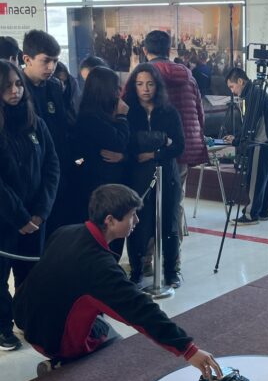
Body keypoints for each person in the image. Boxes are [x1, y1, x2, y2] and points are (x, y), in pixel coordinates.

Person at [13, 184, 223, 380]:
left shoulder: (65, 232)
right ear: (110, 220)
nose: (137, 221)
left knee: (96, 313)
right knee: (114, 341)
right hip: (51, 338)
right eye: (132, 215)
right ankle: (61, 363)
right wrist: (189, 350)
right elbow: (142, 311)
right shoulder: (100, 268)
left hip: (25, 318)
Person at [0, 60, 59, 352]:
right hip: (5, 219)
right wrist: (20, 216)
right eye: (7, 86)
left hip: (35, 219)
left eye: (18, 84)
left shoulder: (35, 123)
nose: (15, 91)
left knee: (32, 274)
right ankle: (3, 327)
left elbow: (52, 167)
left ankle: (27, 319)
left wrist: (40, 212)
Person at [143, 30, 209, 273]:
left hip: (150, 151)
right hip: (182, 149)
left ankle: (145, 260)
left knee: (146, 204)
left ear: (145, 50)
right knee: (174, 204)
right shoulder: (188, 75)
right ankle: (173, 261)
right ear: (169, 50)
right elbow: (199, 113)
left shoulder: (143, 75)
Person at [122, 63, 184, 288]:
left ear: (157, 85)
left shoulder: (169, 111)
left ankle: (171, 272)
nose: (145, 89)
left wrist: (152, 153)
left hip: (167, 174)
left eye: (150, 84)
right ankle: (137, 271)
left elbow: (178, 145)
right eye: (140, 84)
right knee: (138, 225)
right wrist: (161, 139)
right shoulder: (128, 111)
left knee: (169, 223)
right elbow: (129, 143)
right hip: (138, 177)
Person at [22, 29, 77, 235]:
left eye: (55, 61)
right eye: (46, 61)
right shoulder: (16, 90)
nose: (51, 67)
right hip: (32, 171)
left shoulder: (54, 86)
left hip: (58, 167)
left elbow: (62, 126)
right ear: (27, 59)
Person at [71, 67, 129, 256]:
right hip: (97, 186)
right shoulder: (90, 118)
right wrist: (122, 116)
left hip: (110, 184)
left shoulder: (102, 114)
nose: (119, 92)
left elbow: (126, 147)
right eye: (115, 87)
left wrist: (123, 157)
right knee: (103, 237)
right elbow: (119, 142)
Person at [224, 67, 268, 225]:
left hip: (261, 142)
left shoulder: (253, 94)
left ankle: (250, 215)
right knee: (264, 178)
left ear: (240, 81)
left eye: (232, 86)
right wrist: (237, 138)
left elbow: (250, 124)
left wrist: (237, 141)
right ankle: (262, 212)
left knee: (255, 179)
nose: (233, 91)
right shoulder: (256, 92)